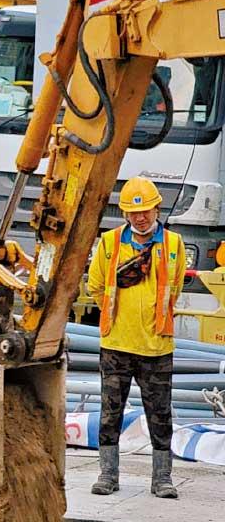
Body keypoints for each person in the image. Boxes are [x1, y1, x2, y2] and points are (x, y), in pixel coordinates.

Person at [87, 176, 186, 499]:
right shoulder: (110, 243)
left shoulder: (173, 245)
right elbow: (96, 286)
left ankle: (162, 479)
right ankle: (108, 475)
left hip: (157, 345)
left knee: (160, 414)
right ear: (125, 213)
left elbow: (176, 288)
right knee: (109, 413)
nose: (139, 217)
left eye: (145, 211)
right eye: (132, 212)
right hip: (116, 344)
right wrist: (117, 318)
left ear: (157, 209)